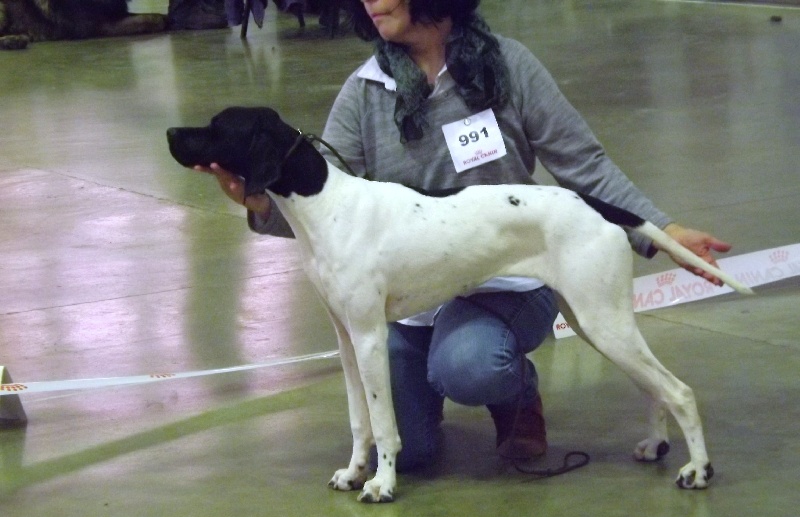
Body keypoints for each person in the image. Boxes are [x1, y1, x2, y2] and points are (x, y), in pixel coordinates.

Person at [198, 0, 734, 472]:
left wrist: (663, 231)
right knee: (408, 453)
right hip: (414, 293)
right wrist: (259, 203)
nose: (369, 2)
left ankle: (516, 393)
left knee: (470, 365)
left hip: (510, 277)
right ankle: (431, 383)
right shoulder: (366, 89)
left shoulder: (508, 65)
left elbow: (584, 165)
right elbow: (322, 202)